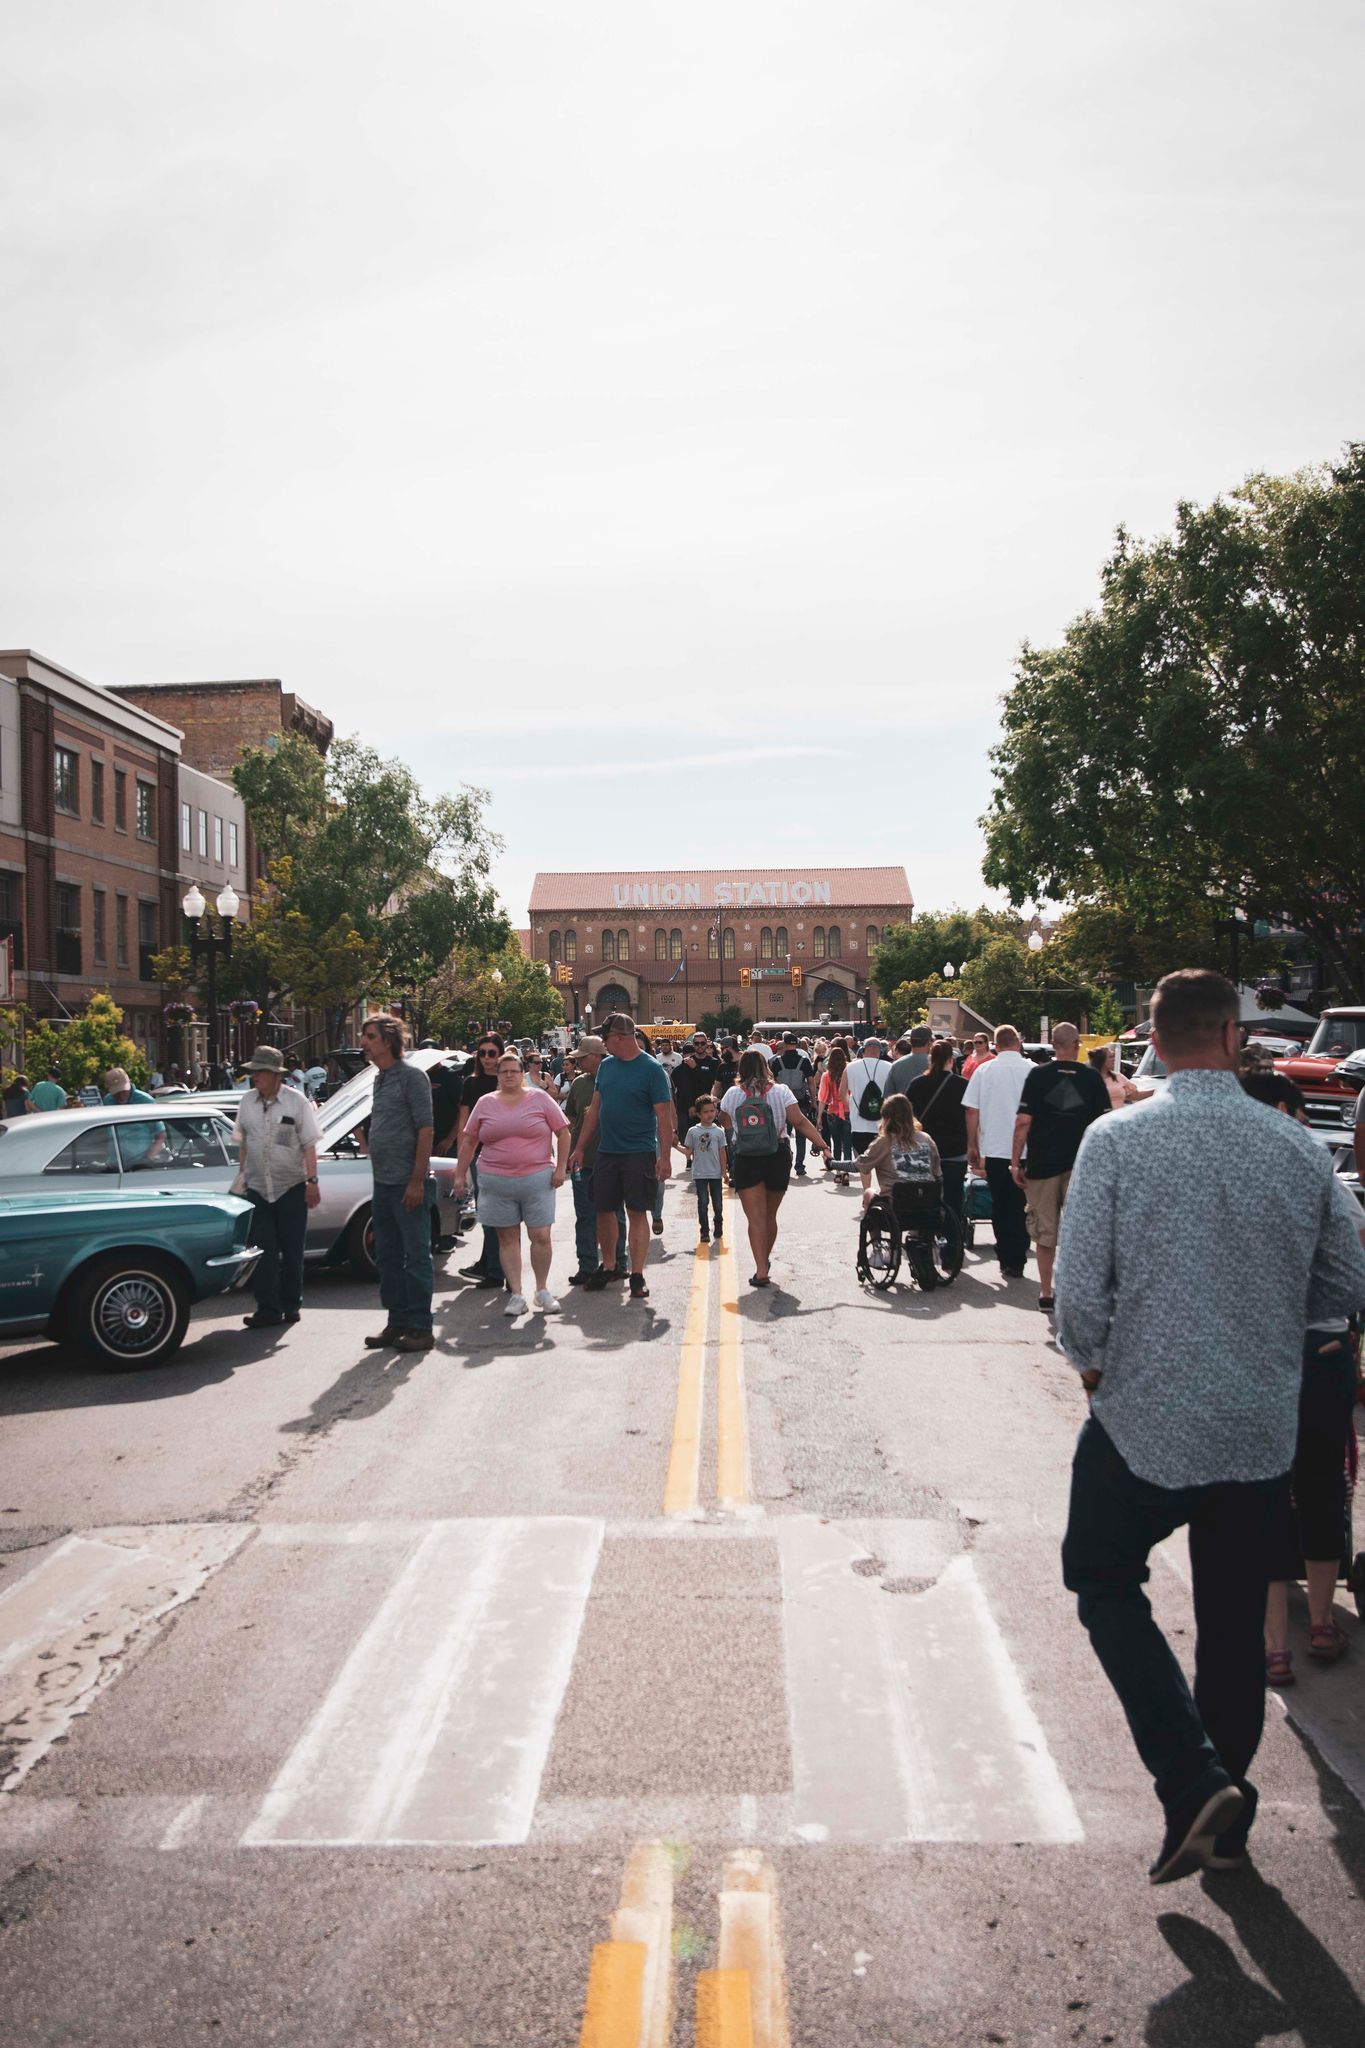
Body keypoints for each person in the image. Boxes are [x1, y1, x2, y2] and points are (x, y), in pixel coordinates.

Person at [1055, 968, 1365, 1885]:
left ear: (1153, 1040)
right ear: (1233, 1038)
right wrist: (1280, 1336)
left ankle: (1188, 1777)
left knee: (1102, 1577)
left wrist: (1095, 1365)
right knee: (1233, 1626)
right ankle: (1226, 1820)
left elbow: (1078, 1297)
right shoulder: (1296, 1151)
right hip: (1256, 1425)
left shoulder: (1115, 1140)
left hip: (1142, 1414)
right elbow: (1342, 1289)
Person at [1239, 1071, 1362, 1684]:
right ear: (1291, 1113)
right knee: (1320, 1486)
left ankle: (1272, 1645)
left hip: (1257, 1350)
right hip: (1322, 1345)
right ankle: (1318, 1623)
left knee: (1261, 1490)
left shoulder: (1226, 1178)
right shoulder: (1317, 1174)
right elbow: (1351, 1271)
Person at [453, 1049, 569, 1317]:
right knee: (508, 1239)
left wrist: (560, 1168)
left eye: (513, 1071)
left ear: (522, 1074)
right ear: (498, 1075)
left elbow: (563, 1132)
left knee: (540, 1236)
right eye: (503, 1071)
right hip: (496, 1180)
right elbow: (469, 1140)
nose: (508, 1076)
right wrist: (460, 1175)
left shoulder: (539, 1099)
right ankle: (517, 1293)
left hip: (537, 1178)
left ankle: (541, 1290)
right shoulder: (485, 1103)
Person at [569, 1013, 674, 1300]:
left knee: (636, 1212)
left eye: (605, 1038)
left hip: (638, 1152)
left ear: (618, 1038)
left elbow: (664, 1118)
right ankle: (611, 1265)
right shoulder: (607, 1068)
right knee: (604, 1209)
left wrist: (664, 1157)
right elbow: (596, 1110)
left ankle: (637, 1274)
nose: (603, 1044)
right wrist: (579, 1147)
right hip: (607, 1152)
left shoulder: (652, 1070)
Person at [1010, 1023, 1111, 1312]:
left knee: (1045, 1233)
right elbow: (1104, 1124)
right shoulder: (1091, 1078)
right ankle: (1076, 1290)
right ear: (1077, 1044)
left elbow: (1023, 1122)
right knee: (1080, 1232)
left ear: (1053, 1044)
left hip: (1043, 1164)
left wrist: (1015, 1162)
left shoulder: (1039, 1076)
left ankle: (1045, 1292)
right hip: (1082, 1166)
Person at [718, 1048, 830, 1287]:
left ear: (742, 1070)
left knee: (755, 1219)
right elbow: (798, 1121)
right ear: (766, 1067)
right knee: (770, 1215)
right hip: (777, 1154)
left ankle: (760, 1269)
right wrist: (823, 1146)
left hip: (747, 1157)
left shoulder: (732, 1094)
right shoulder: (781, 1092)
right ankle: (764, 1259)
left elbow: (726, 1123)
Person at [360, 1015, 435, 1353]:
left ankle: (420, 1326)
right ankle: (397, 1320)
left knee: (416, 1256)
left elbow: (425, 1129)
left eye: (370, 1036)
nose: (364, 1043)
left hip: (408, 1183)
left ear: (388, 1041)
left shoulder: (412, 1078)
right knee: (387, 1256)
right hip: (383, 1183)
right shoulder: (379, 1079)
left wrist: (416, 1180)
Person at [234, 1046, 323, 1330]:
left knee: (292, 1249)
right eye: (253, 1072)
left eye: (259, 1072)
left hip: (292, 1186)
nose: (254, 1077)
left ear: (275, 1075)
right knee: (263, 1251)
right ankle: (267, 1308)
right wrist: (242, 1177)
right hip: (258, 1188)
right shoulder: (247, 1102)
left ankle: (291, 1304)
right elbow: (244, 1143)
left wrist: (312, 1182)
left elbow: (309, 1145)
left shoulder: (296, 1102)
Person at [962, 1026, 1032, 1279]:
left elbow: (972, 1110)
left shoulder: (984, 1070)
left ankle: (1006, 1256)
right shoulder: (1032, 1070)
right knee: (1022, 1204)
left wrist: (972, 1143)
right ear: (1018, 1042)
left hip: (995, 1148)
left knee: (1001, 1204)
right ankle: (1019, 1251)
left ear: (995, 1045)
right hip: (1026, 1150)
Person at [562, 1037, 627, 1285]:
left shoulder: (616, 1079)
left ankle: (619, 1262)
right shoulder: (579, 1083)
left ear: (598, 1056)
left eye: (582, 1056)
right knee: (586, 1215)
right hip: (584, 1160)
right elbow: (570, 1118)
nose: (577, 1060)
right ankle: (587, 1266)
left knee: (614, 1212)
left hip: (612, 1156)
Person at [907, 1038, 970, 1253]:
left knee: (923, 1199)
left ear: (930, 1059)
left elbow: (908, 1116)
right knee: (953, 1200)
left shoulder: (917, 1084)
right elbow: (970, 1118)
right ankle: (952, 1249)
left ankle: (923, 1245)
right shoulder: (961, 1085)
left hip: (923, 1149)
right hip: (955, 1150)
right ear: (951, 1061)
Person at [457, 1036, 509, 1291]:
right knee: (488, 1213)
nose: (487, 1058)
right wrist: (461, 1164)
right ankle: (493, 1269)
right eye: (482, 1054)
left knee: (507, 1215)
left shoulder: (508, 1081)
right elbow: (465, 1127)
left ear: (500, 1054)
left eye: (492, 1053)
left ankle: (499, 1268)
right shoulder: (471, 1083)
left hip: (508, 1157)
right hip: (480, 1157)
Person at [856, 1092, 942, 1221]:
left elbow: (860, 1164)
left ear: (887, 1118)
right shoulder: (926, 1139)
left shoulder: (884, 1141)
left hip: (895, 1206)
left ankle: (876, 1240)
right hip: (926, 1202)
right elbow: (937, 1172)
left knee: (869, 1193)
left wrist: (832, 1163)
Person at [770, 1031, 817, 1176]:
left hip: (781, 1103)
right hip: (800, 1101)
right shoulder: (804, 1061)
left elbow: (772, 1082)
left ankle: (786, 1160)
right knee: (801, 1134)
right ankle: (799, 1165)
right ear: (796, 1044)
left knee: (783, 1134)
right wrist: (814, 1101)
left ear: (784, 1044)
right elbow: (810, 1082)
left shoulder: (777, 1062)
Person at [683, 1095, 728, 1243]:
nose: (710, 1114)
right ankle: (704, 1231)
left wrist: (724, 1171)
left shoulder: (719, 1132)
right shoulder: (693, 1131)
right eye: (706, 1112)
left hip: (715, 1173)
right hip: (700, 1173)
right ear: (698, 1114)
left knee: (718, 1203)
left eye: (712, 1111)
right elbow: (688, 1152)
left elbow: (722, 1152)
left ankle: (718, 1224)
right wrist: (674, 1145)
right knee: (702, 1202)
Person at [845, 1038, 894, 1159]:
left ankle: (865, 1178)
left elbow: (842, 1092)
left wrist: (852, 1106)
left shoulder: (850, 1067)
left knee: (863, 1161)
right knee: (881, 1162)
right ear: (880, 1051)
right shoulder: (890, 1067)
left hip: (858, 1123)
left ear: (863, 1050)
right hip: (882, 1123)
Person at [818, 1042, 853, 1183]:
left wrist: (819, 1115)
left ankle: (838, 1172)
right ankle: (846, 1172)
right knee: (848, 1144)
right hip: (848, 1111)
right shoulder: (849, 1072)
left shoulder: (827, 1076)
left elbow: (823, 1098)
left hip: (832, 1112)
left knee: (837, 1143)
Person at [1088, 1042, 1152, 1110]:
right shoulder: (1089, 1080)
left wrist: (1156, 1091)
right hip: (1101, 1119)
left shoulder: (1118, 1077)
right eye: (1110, 1057)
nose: (1114, 1059)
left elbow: (1135, 1095)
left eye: (1114, 1056)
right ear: (1101, 1060)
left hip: (1119, 1118)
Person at [886, 1024, 933, 1097]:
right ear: (929, 1042)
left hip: (904, 1107)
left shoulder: (896, 1065)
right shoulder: (938, 1064)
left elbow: (888, 1096)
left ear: (910, 1041)